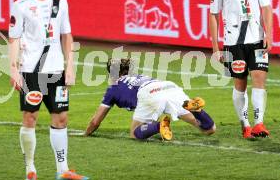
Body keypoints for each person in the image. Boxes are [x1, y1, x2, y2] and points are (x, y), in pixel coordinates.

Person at [8, 0, 89, 180]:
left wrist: (70, 65)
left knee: (61, 118)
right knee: (30, 117)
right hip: (31, 70)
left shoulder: (60, 3)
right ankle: (30, 168)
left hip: (55, 70)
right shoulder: (20, 6)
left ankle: (62, 169)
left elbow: (67, 35)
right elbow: (13, 38)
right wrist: (13, 69)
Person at [209, 0, 273, 139]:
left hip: (257, 39)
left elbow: (266, 8)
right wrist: (215, 47)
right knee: (240, 84)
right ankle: (245, 124)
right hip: (233, 42)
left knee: (259, 79)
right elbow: (213, 15)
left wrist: (269, 34)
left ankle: (259, 123)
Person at [84, 59, 216, 140]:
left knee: (135, 134)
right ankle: (197, 110)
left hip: (149, 92)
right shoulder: (140, 76)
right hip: (169, 86)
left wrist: (86, 134)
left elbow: (95, 122)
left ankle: (159, 126)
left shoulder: (113, 88)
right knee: (208, 129)